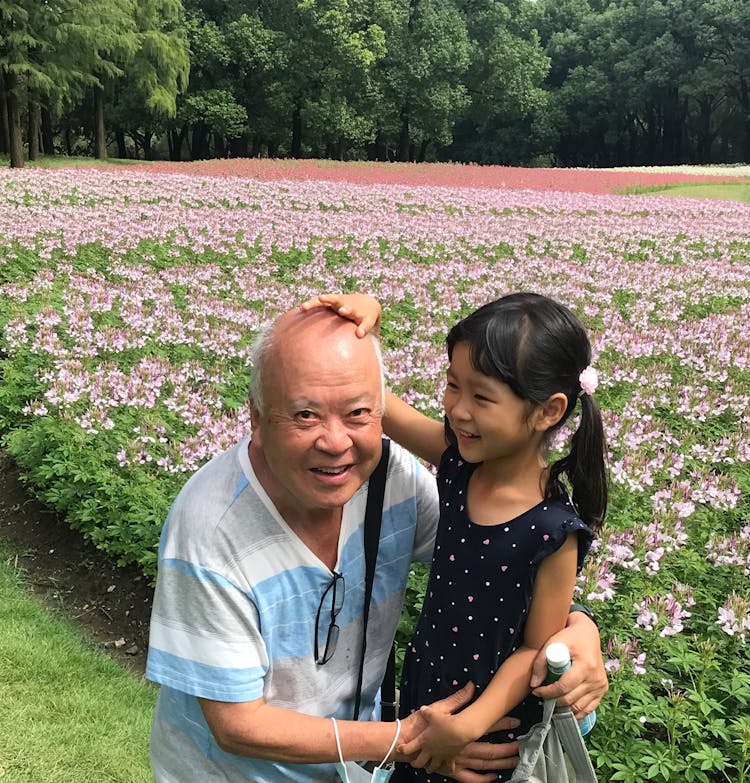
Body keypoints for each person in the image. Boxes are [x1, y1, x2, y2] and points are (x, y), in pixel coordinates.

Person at [145, 304, 608, 783]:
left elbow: (497, 570)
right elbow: (238, 726)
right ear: (256, 417)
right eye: (305, 414)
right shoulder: (210, 530)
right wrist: (407, 743)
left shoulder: (392, 480)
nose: (335, 441)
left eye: (357, 412)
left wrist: (576, 630)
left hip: (365, 765)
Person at [305, 292, 608, 782]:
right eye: (452, 385)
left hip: (490, 730)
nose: (458, 410)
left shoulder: (554, 530)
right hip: (429, 695)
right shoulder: (459, 464)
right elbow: (380, 403)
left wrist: (465, 728)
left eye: (481, 396)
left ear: (547, 411)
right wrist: (367, 333)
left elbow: (534, 651)